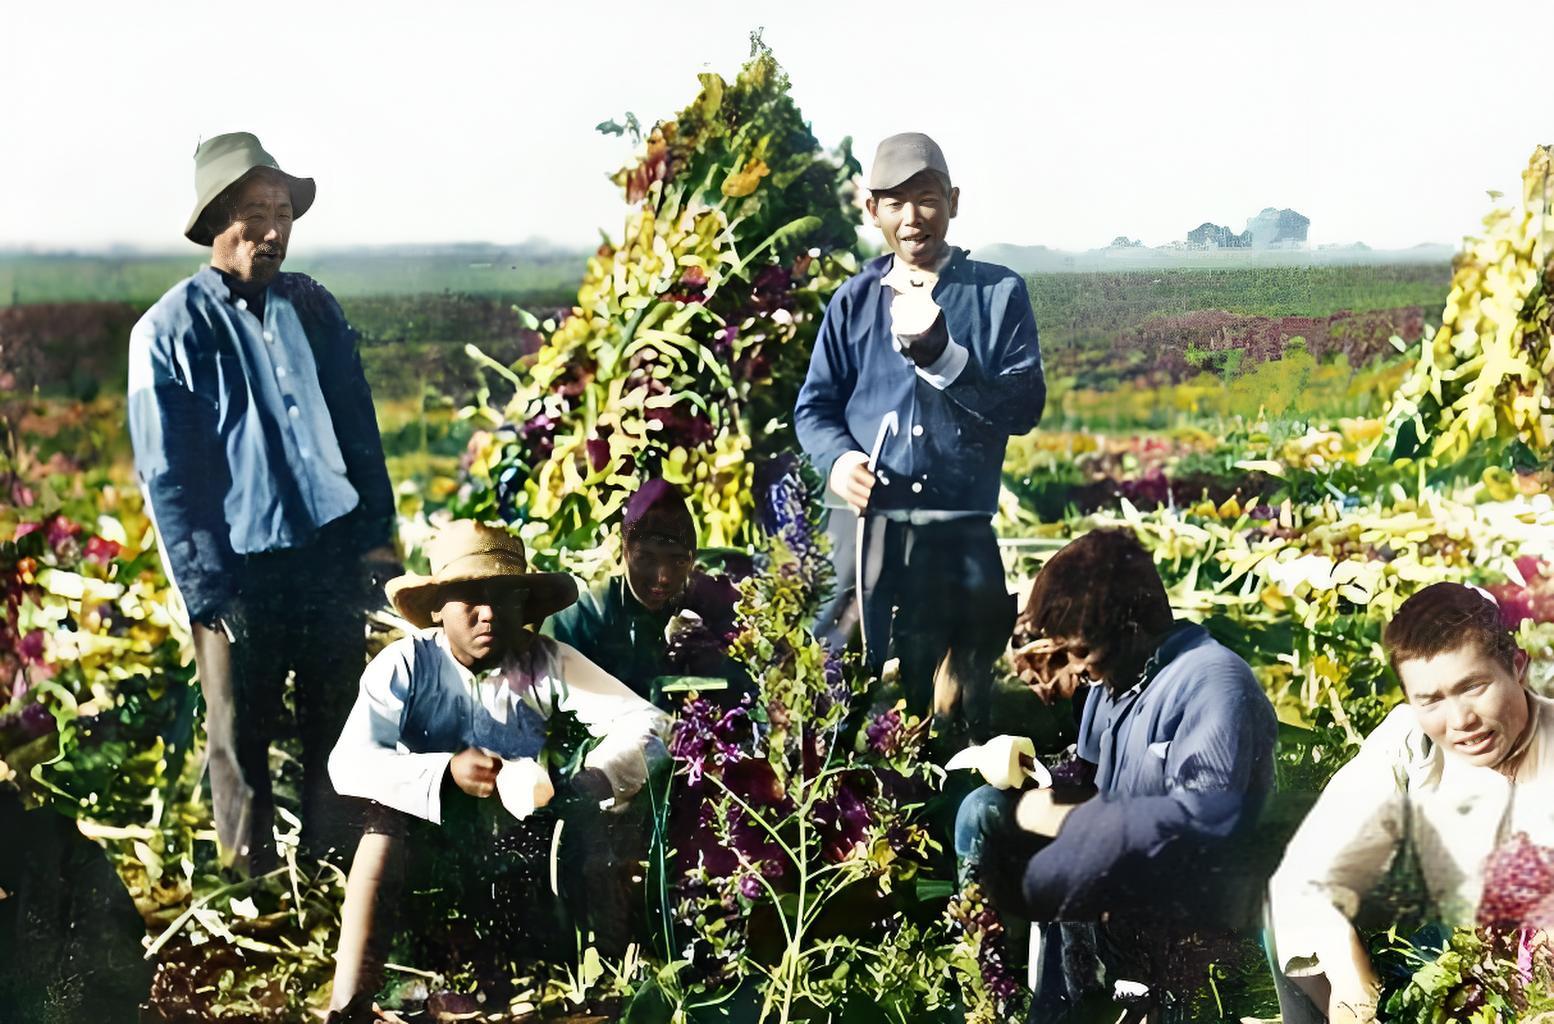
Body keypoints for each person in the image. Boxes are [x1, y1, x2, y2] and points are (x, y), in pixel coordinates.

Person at [127, 132, 399, 873]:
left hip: (327, 551)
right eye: (256, 212)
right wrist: (210, 591)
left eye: (284, 212)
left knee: (335, 717)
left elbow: (358, 426)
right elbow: (169, 475)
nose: (275, 230)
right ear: (218, 217)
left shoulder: (311, 306)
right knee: (239, 734)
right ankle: (254, 891)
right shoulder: (167, 330)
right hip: (239, 568)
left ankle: (333, 870)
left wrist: (377, 536)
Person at [324, 519, 671, 1022]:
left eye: (505, 598)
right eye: (470, 598)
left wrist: (594, 777)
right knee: (380, 834)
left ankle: (602, 982)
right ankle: (347, 1003)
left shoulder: (545, 661)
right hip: (424, 843)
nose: (489, 615)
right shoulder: (406, 664)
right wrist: (444, 771)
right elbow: (349, 763)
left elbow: (652, 724)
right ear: (439, 607)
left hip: (515, 844)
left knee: (586, 834)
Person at [954, 529, 1277, 1020]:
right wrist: (1036, 778)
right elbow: (1086, 775)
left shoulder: (1213, 682)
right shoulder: (1118, 682)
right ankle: (991, 992)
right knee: (985, 811)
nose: (1077, 669)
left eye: (1081, 651)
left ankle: (1087, 1005)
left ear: (1130, 627)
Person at [793, 131, 1044, 744]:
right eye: (895, 202)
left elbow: (1024, 406)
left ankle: (943, 815)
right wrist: (839, 459)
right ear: (871, 209)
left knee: (951, 706)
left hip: (954, 528)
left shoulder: (996, 294)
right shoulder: (852, 303)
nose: (912, 218)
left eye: (926, 198)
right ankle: (820, 812)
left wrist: (949, 361)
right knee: (831, 685)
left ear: (953, 201)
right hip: (862, 529)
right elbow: (815, 408)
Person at [1268, 582, 1554, 1024]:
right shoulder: (1411, 739)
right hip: (1440, 953)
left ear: (1518, 667)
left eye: (1474, 686)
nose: (1460, 721)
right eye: (1432, 700)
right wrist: (1349, 974)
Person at [546, 479, 743, 708]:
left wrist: (716, 656)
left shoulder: (716, 603)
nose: (663, 577)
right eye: (646, 559)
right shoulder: (584, 619)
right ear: (624, 553)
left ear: (692, 559)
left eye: (678, 561)